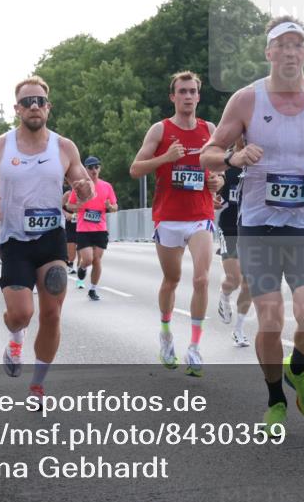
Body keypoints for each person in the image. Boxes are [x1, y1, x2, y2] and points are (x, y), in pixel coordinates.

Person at [201, 16, 304, 435]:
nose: (290, 52)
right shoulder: (247, 100)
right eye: (282, 45)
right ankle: (275, 400)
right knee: (270, 319)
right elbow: (207, 153)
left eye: (297, 45)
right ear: (269, 52)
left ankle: (296, 367)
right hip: (258, 227)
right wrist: (233, 158)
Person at [0, 76, 94, 402]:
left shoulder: (64, 147)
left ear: (48, 107)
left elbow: (83, 187)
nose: (34, 107)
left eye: (40, 101)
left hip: (51, 238)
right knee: (20, 314)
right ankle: (16, 339)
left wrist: (84, 191)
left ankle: (38, 386)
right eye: (27, 102)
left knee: (52, 313)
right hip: (14, 240)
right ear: (17, 109)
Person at [130, 71, 223, 377]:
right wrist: (166, 158)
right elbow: (135, 169)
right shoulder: (160, 129)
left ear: (198, 96)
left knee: (201, 279)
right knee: (172, 280)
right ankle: (166, 334)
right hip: (168, 217)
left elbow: (219, 170)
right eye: (182, 91)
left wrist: (217, 181)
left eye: (192, 91)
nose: (187, 96)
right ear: (173, 97)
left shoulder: (210, 129)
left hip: (200, 216)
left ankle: (194, 347)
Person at [215, 140, 252, 347]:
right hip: (229, 227)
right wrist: (213, 198)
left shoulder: (259, 162)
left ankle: (239, 329)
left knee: (250, 282)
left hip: (252, 227)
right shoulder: (226, 162)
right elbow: (213, 186)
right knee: (235, 278)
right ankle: (224, 294)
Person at [67, 156, 118, 301]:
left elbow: (115, 206)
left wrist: (110, 207)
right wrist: (77, 206)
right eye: (90, 167)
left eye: (96, 167)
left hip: (100, 229)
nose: (94, 170)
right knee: (88, 259)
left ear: (100, 168)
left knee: (97, 260)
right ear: (85, 169)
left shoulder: (107, 186)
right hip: (84, 229)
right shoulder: (80, 186)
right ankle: (83, 267)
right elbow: (69, 205)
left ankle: (93, 289)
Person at [62, 189, 78, 276]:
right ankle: (69, 263)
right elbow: (58, 206)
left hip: (82, 225)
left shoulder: (86, 193)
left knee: (82, 249)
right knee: (71, 253)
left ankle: (80, 268)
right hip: (70, 225)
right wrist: (66, 214)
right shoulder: (68, 194)